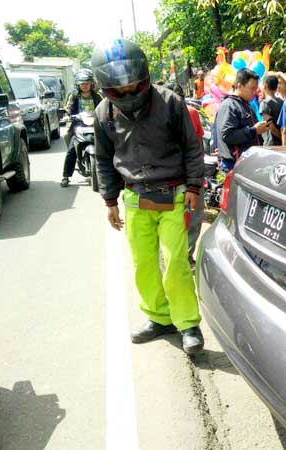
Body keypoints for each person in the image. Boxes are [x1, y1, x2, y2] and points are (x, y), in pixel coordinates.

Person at [92, 38, 205, 355]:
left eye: (131, 81)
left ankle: (188, 323)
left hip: (173, 194)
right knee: (144, 264)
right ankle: (159, 317)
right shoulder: (104, 113)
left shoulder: (170, 101)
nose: (127, 89)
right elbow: (103, 159)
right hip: (134, 197)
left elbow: (192, 148)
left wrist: (194, 187)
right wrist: (110, 201)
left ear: (142, 73)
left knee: (175, 263)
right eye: (119, 85)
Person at [167, 82, 206, 266]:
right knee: (192, 218)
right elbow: (198, 148)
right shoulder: (191, 113)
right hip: (188, 178)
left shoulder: (161, 115)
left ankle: (177, 257)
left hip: (172, 179)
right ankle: (184, 256)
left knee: (180, 220)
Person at [214, 69, 269, 170]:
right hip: (234, 166)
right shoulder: (229, 105)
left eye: (256, 89)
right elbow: (227, 135)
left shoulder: (246, 105)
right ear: (239, 85)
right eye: (251, 88)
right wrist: (253, 131)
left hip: (248, 164)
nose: (254, 93)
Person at [60, 69, 103, 188]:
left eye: (87, 83)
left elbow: (103, 107)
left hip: (94, 125)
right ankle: (66, 176)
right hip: (78, 126)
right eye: (82, 83)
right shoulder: (74, 95)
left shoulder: (97, 95)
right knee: (71, 150)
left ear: (91, 84)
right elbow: (68, 108)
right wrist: (67, 116)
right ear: (78, 84)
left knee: (109, 145)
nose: (85, 86)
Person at [259, 74, 283, 146]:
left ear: (265, 86)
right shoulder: (281, 101)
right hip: (281, 142)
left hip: (271, 143)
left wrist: (281, 138)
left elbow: (271, 127)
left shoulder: (265, 103)